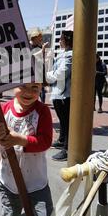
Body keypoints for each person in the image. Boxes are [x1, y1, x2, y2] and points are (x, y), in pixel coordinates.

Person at [0, 83, 53, 216]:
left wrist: (20, 140)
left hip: (36, 182)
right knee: (10, 215)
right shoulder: (3, 109)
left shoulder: (42, 111)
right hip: (8, 181)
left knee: (45, 215)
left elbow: (45, 142)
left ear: (42, 88)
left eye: (35, 87)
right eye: (23, 86)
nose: (28, 92)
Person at [47, 31, 73, 161]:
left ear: (66, 40)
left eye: (61, 39)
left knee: (67, 122)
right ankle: (62, 140)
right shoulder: (64, 54)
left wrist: (48, 76)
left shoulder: (70, 55)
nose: (59, 41)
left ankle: (67, 149)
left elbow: (61, 74)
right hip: (59, 93)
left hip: (64, 95)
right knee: (63, 120)